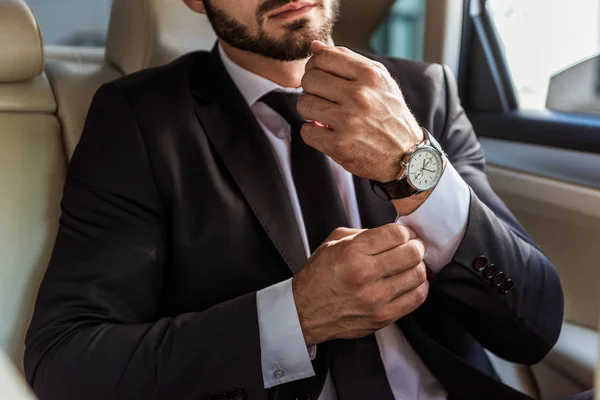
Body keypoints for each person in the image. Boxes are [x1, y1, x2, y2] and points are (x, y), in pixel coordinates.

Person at [24, 0, 565, 399]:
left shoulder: (423, 92)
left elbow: (536, 326)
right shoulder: (141, 121)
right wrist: (298, 316)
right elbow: (66, 362)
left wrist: (415, 167)